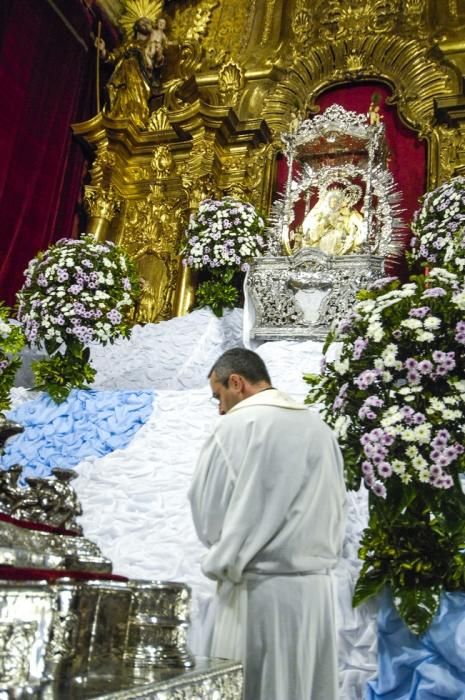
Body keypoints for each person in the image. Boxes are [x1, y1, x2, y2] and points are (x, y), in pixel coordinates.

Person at [189, 348, 346, 700]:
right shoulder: (319, 428)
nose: (219, 408)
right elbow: (339, 506)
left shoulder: (235, 427)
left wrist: (235, 542)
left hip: (256, 593)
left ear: (236, 382)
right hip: (314, 596)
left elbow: (208, 515)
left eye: (219, 396)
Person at [95, 17, 164, 126]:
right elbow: (114, 57)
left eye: (148, 22)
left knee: (136, 102)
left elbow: (158, 65)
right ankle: (116, 117)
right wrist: (103, 51)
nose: (145, 23)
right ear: (136, 26)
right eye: (142, 21)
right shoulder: (129, 44)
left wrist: (159, 55)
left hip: (141, 79)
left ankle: (135, 121)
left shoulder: (152, 44)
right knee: (120, 98)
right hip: (122, 76)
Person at [302, 186, 367, 255]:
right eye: (332, 201)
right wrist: (325, 223)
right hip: (324, 239)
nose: (334, 203)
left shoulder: (345, 214)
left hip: (340, 238)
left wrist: (340, 224)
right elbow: (314, 232)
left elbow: (350, 228)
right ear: (328, 202)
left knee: (336, 236)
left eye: (337, 201)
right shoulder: (321, 214)